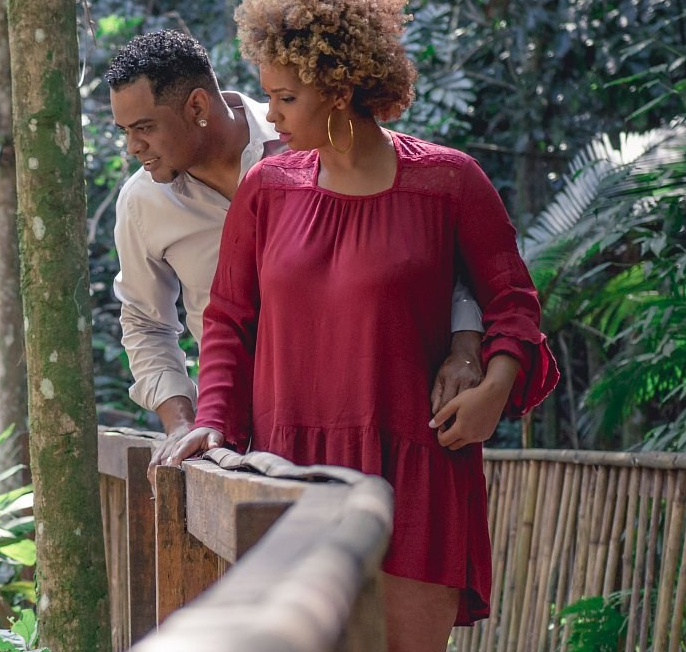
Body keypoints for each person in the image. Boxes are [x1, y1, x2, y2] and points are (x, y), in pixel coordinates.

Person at [158, 0, 558, 652]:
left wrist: (496, 382)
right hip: (292, 474)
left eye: (285, 95)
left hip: (415, 467)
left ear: (341, 86)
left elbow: (513, 304)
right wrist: (212, 424)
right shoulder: (268, 189)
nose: (270, 115)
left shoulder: (448, 182)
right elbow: (228, 322)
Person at [106, 30, 487, 447]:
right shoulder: (142, 202)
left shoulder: (312, 133)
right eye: (125, 130)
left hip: (377, 409)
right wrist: (183, 424)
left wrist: (466, 346)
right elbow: (148, 322)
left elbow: (424, 254)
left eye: (144, 127)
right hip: (239, 433)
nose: (132, 146)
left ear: (196, 106)